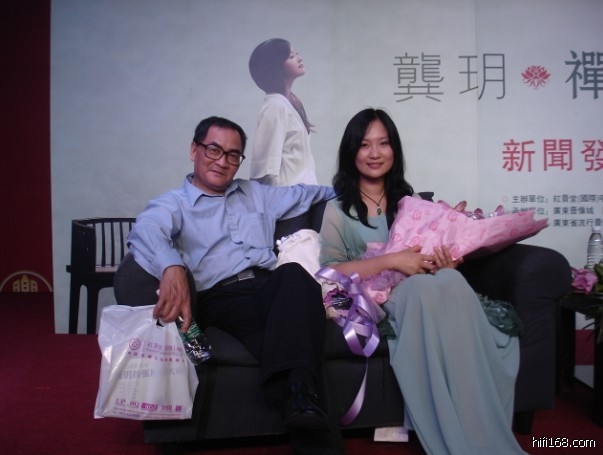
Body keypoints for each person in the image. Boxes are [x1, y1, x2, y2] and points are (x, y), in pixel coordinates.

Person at [126, 116, 342, 454]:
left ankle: (297, 395)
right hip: (222, 296)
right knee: (299, 337)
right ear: (194, 150)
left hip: (272, 286)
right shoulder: (173, 204)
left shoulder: (257, 194)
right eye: (214, 149)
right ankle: (304, 402)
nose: (222, 161)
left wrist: (387, 194)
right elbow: (146, 231)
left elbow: (319, 194)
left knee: (295, 274)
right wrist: (171, 265)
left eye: (232, 154)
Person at [319, 108, 526, 454]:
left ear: (395, 149)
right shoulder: (337, 210)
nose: (374, 153)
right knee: (422, 291)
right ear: (351, 151)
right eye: (365, 144)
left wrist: (447, 261)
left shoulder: (413, 203)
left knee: (452, 282)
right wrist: (391, 260)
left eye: (383, 143)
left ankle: (480, 423)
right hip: (380, 298)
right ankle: (454, 437)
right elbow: (331, 270)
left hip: (426, 284)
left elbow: (431, 255)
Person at [248, 38, 318, 186]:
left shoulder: (288, 103)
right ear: (276, 66)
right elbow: (266, 168)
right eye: (291, 56)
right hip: (288, 196)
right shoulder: (275, 107)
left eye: (296, 53)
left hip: (305, 194)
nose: (299, 58)